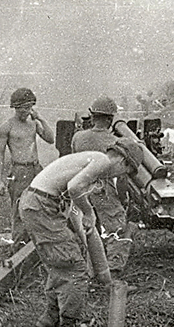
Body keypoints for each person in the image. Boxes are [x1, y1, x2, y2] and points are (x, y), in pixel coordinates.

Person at [19, 136, 144, 327]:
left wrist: (83, 231)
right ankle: (69, 322)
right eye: (126, 170)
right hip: (42, 205)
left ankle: (49, 319)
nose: (122, 175)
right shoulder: (101, 161)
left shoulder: (92, 161)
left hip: (37, 203)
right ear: (121, 159)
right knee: (75, 269)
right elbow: (74, 188)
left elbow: (72, 205)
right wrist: (89, 212)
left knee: (60, 263)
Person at [71, 96, 132, 276]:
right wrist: (123, 197)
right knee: (117, 227)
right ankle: (113, 271)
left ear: (92, 116)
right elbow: (120, 176)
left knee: (90, 228)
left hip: (80, 187)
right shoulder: (113, 142)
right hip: (102, 187)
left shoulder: (78, 137)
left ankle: (91, 271)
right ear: (110, 119)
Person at [0, 88, 55, 251]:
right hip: (19, 172)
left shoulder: (34, 123)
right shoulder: (7, 127)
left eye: (29, 107)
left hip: (36, 169)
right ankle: (18, 248)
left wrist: (41, 118)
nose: (26, 112)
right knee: (19, 209)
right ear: (15, 107)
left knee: (41, 205)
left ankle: (38, 245)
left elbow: (51, 139)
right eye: (23, 108)